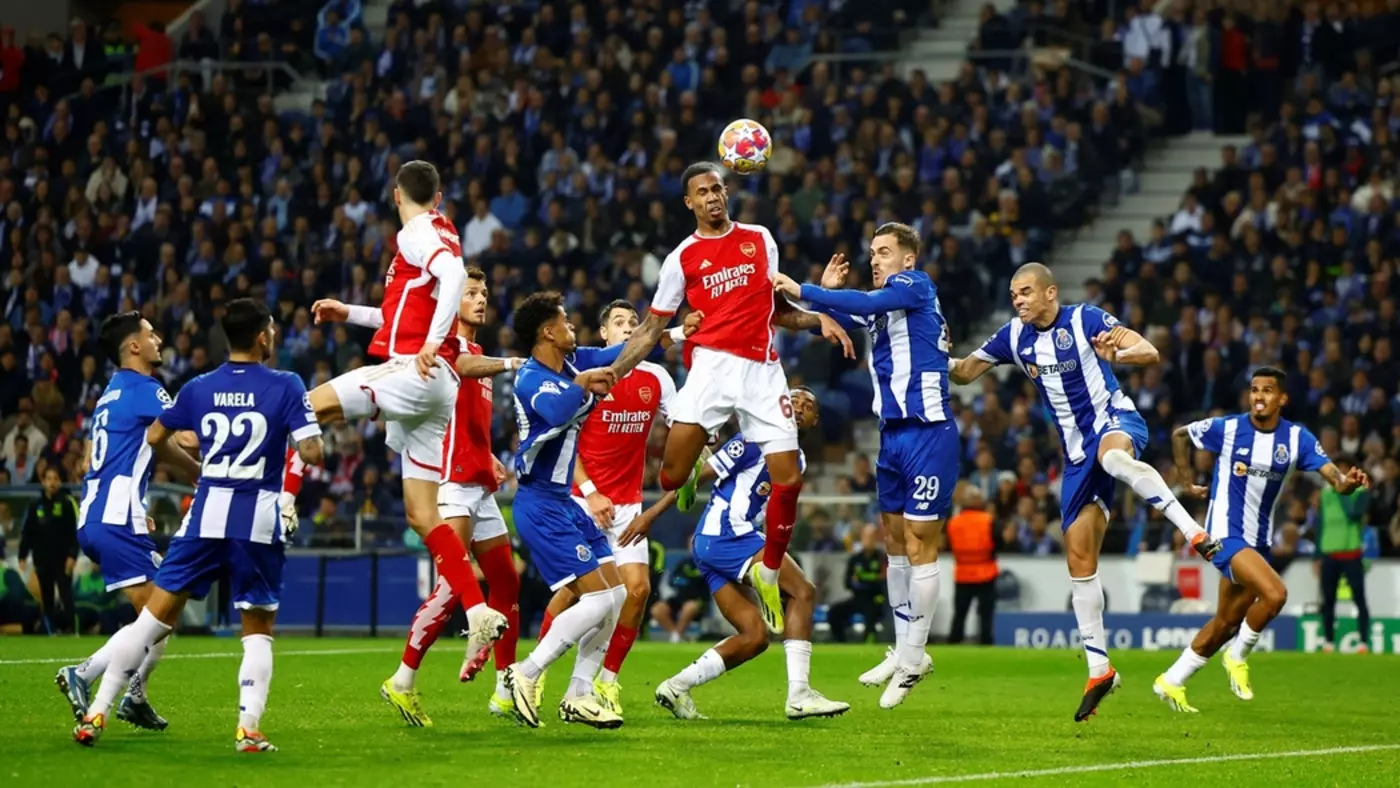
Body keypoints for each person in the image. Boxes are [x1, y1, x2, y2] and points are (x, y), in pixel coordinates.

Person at [948, 261, 1222, 722]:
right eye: (1013, 294)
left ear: (1050, 292)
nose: (1018, 300)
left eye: (1026, 292)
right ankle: (1100, 670)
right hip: (1076, 457)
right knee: (1078, 558)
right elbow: (965, 373)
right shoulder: (1013, 336)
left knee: (1113, 459)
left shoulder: (1085, 318)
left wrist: (1120, 356)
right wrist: (936, 358)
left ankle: (1193, 530)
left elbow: (1149, 350)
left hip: (1115, 421)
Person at [601, 161, 853, 637]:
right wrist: (615, 371)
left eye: (717, 188)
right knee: (671, 474)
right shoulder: (682, 258)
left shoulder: (760, 238)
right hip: (711, 369)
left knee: (789, 477)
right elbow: (652, 327)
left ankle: (769, 572)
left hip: (762, 371)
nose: (712, 197)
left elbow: (777, 310)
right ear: (689, 202)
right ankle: (694, 464)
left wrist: (817, 315)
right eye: (702, 192)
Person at [72, 298, 325, 751]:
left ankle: (97, 713)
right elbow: (311, 453)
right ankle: (248, 728)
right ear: (262, 336)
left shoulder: (197, 387)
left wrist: (204, 454)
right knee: (257, 629)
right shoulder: (286, 384)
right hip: (255, 516)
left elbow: (155, 435)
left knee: (151, 621)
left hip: (203, 514)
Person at [287, 160, 507, 668]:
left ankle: (285, 501)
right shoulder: (443, 230)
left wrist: (431, 341)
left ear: (395, 195)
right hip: (439, 388)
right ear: (440, 195)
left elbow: (453, 277)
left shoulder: (415, 231)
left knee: (303, 405)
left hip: (413, 371)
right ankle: (476, 609)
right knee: (422, 514)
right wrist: (349, 313)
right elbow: (404, 312)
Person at [774, 221, 959, 708]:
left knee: (920, 543)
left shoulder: (915, 286)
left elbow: (864, 302)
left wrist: (803, 287)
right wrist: (823, 295)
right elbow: (842, 313)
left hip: (927, 432)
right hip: (892, 435)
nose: (875, 260)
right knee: (894, 545)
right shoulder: (887, 307)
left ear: (908, 259)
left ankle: (916, 658)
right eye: (872, 253)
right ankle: (902, 651)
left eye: (884, 252)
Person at [1154, 367, 1370, 711]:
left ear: (1282, 398)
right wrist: (1185, 480)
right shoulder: (1228, 428)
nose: (1258, 396)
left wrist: (1349, 483)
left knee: (1226, 623)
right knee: (1276, 594)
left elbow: (1336, 480)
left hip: (1257, 541)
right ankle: (1237, 656)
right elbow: (1180, 435)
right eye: (1254, 389)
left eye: (1267, 390)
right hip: (1224, 534)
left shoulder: (1297, 439)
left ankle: (1171, 680)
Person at [636, 388, 848, 720]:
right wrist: (651, 514)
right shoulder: (755, 440)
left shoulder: (797, 458)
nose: (799, 406)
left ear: (815, 420)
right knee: (803, 592)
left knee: (754, 637)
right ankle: (799, 694)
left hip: (718, 543)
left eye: (807, 405)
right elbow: (696, 477)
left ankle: (676, 686)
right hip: (727, 534)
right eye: (793, 399)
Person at [381, 268, 525, 726]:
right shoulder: (445, 345)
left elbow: (468, 421)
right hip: (447, 481)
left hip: (477, 480)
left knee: (506, 581)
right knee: (451, 586)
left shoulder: (477, 352)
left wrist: (489, 458)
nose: (481, 299)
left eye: (485, 292)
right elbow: (459, 366)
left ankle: (505, 688)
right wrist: (511, 363)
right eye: (471, 293)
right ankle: (402, 679)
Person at [55, 311, 201, 732]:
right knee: (156, 616)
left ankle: (135, 697)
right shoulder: (145, 390)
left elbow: (160, 444)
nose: (159, 340)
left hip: (107, 514)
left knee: (168, 606)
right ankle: (83, 673)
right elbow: (186, 435)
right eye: (151, 335)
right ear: (134, 346)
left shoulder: (112, 393)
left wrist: (194, 472)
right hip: (116, 519)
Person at [498, 291, 628, 730]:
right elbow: (556, 412)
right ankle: (526, 673)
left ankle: (578, 694)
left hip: (564, 502)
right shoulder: (531, 379)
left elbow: (623, 351)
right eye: (565, 320)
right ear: (547, 332)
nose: (572, 325)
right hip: (539, 503)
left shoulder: (574, 363)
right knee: (597, 598)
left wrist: (674, 329)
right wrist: (584, 381)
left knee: (617, 595)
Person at [553, 298, 681, 716]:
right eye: (619, 322)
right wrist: (591, 492)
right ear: (604, 334)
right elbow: (565, 445)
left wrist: (700, 441)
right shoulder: (587, 375)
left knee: (637, 590)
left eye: (634, 322)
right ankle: (530, 676)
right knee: (573, 593)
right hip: (582, 500)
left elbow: (682, 428)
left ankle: (605, 682)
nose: (628, 327)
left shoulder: (657, 377)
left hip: (627, 506)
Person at [1314, 454, 1373, 654]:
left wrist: (1343, 489)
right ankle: (1329, 642)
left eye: (1343, 470)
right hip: (1329, 554)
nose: (1339, 474)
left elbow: (1354, 514)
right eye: (1337, 471)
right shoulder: (1325, 494)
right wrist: (1316, 556)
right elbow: (1321, 525)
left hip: (1351, 554)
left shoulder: (1361, 492)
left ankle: (1363, 642)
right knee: (1328, 601)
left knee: (1359, 599)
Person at [18, 466, 79, 633]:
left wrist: (72, 556)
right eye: (49, 479)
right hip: (42, 559)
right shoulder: (35, 505)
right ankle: (50, 630)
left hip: (62, 559)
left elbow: (74, 532)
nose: (52, 483)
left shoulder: (67, 503)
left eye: (55, 479)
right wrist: (22, 555)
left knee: (66, 594)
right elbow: (27, 532)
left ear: (60, 482)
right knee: (47, 596)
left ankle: (73, 630)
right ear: (43, 481)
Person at [945, 485, 998, 646]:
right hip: (986, 571)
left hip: (962, 572)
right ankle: (986, 641)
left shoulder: (953, 522)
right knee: (986, 613)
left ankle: (954, 641)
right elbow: (999, 542)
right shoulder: (989, 520)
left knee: (960, 612)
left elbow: (948, 545)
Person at [827, 524, 887, 644]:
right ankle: (840, 641)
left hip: (876, 599)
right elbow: (848, 582)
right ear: (861, 538)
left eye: (871, 537)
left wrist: (862, 580)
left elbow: (883, 581)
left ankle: (868, 641)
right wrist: (871, 579)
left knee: (872, 612)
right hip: (858, 598)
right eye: (866, 537)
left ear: (876, 538)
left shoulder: (882, 558)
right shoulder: (855, 559)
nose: (868, 540)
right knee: (834, 611)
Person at [649, 548, 709, 643]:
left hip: (698, 599)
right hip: (678, 597)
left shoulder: (708, 565)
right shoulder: (683, 563)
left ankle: (677, 635)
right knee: (657, 609)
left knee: (689, 607)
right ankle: (676, 634)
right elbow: (673, 580)